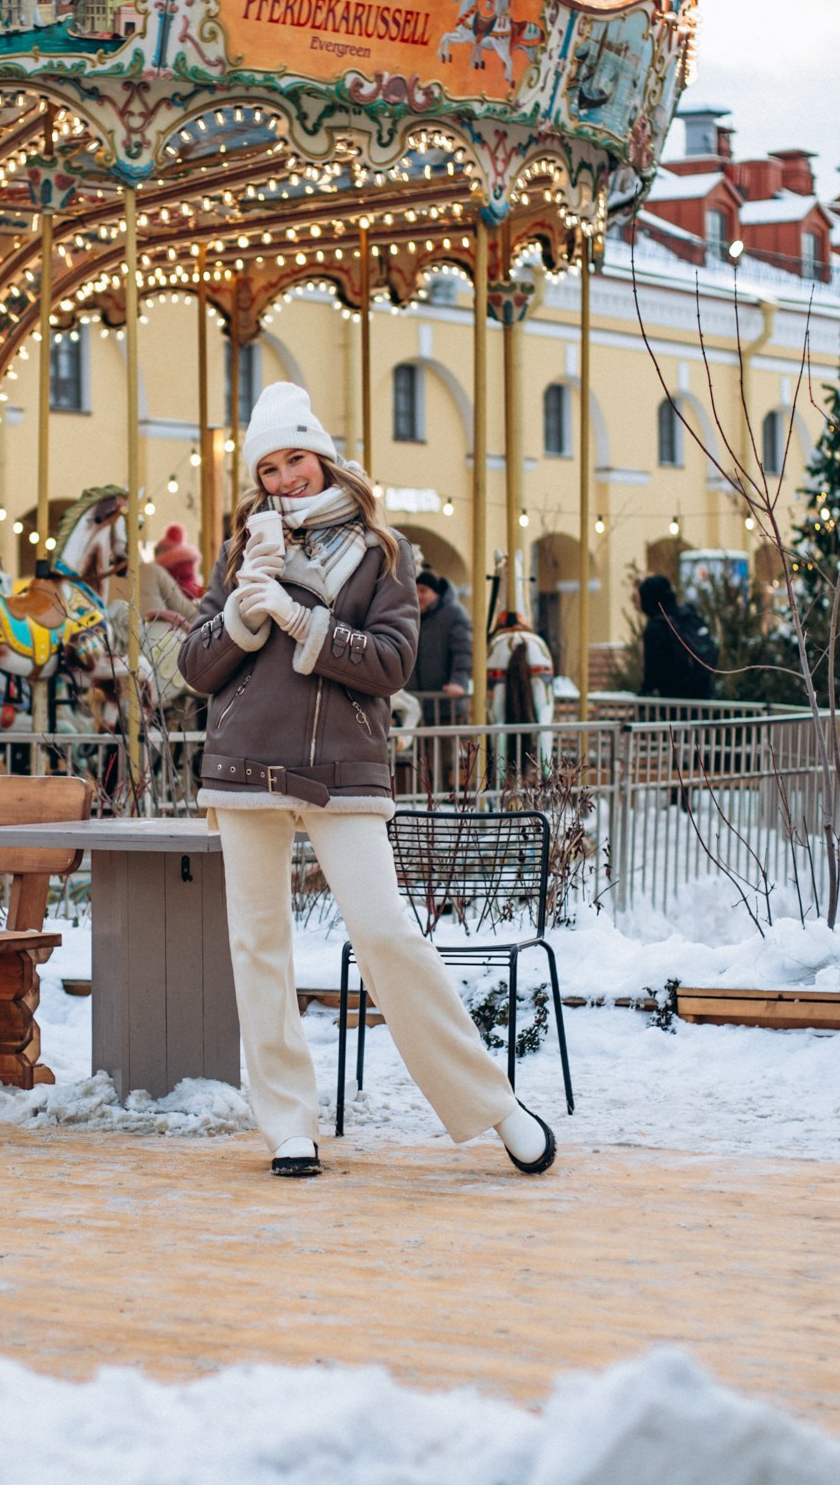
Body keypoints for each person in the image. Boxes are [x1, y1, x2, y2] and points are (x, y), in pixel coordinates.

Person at [177, 381, 556, 1180]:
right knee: (259, 945)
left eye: (296, 460)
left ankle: (494, 1106)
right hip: (243, 762)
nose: (285, 480)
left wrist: (293, 614)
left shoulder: (383, 551)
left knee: (387, 935)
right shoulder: (244, 546)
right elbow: (197, 666)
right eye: (270, 468)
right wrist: (247, 607)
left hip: (342, 768)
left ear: (324, 456)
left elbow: (390, 665)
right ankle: (288, 1122)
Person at [407, 566, 474, 724]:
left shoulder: (453, 614)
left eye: (423, 591)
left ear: (435, 593)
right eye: (415, 590)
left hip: (445, 704)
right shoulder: (410, 614)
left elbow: (463, 652)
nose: (418, 596)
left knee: (444, 747)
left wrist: (458, 682)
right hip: (413, 705)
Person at [637, 572, 718, 699]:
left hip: (674, 700)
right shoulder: (688, 614)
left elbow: (652, 670)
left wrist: (643, 694)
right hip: (704, 694)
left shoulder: (657, 626)